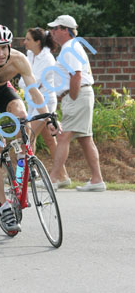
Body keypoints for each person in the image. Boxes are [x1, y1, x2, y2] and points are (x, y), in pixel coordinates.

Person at [0, 24, 57, 232]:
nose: (0, 53)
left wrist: (48, 117)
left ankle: (20, 165)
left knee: (22, 118)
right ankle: (4, 205)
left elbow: (34, 93)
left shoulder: (19, 59)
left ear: (9, 47)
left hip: (4, 91)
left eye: (4, 47)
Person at [47, 15, 106, 192]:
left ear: (66, 30)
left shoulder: (69, 48)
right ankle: (97, 180)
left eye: (56, 28)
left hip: (77, 96)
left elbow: (76, 75)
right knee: (85, 139)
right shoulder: (71, 47)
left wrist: (71, 96)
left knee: (63, 136)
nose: (52, 32)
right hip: (81, 95)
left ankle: (54, 179)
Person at [18, 27, 70, 186]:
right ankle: (63, 177)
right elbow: (24, 80)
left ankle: (25, 175)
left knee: (28, 136)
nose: (24, 42)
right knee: (50, 141)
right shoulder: (30, 55)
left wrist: (24, 83)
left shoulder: (47, 59)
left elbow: (33, 81)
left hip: (44, 103)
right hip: (32, 101)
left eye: (28, 39)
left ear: (38, 42)